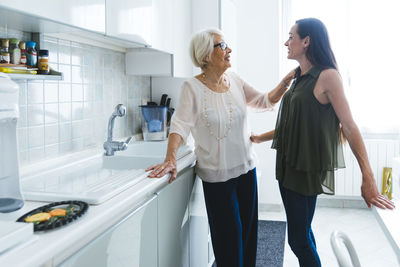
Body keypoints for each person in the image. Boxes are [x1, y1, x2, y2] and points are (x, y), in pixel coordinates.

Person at [250, 18, 395, 267]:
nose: (286, 42)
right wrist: (258, 138)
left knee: (297, 241)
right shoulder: (299, 77)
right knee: (303, 232)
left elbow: (349, 126)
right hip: (287, 167)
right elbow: (291, 126)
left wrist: (368, 178)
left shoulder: (328, 76)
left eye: (291, 37)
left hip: (305, 170)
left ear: (306, 41)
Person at [146, 28, 295, 267]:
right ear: (205, 55)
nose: (229, 50)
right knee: (228, 243)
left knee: (248, 239)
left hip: (247, 171)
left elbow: (264, 101)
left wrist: (285, 82)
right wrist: (170, 157)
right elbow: (180, 125)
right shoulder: (191, 88)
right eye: (222, 46)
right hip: (217, 179)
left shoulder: (234, 80)